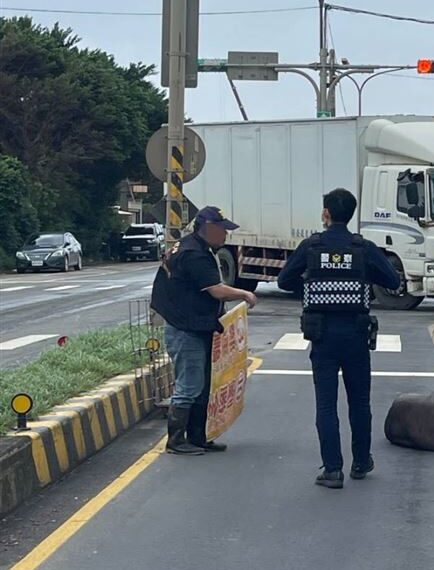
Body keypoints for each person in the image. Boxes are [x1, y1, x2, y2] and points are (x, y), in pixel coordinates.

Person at [277, 188, 401, 489]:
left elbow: (283, 281)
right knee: (359, 401)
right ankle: (361, 461)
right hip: (356, 334)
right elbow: (394, 281)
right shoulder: (364, 248)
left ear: (326, 213)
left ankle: (332, 469)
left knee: (326, 404)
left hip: (322, 335)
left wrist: (310, 278)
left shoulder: (311, 246)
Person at [151, 206, 258, 455]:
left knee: (202, 384)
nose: (226, 236)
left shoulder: (193, 247)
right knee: (189, 385)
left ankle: (198, 437)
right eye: (223, 230)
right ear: (208, 227)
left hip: (195, 324)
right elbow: (216, 289)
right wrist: (244, 293)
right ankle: (176, 441)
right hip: (185, 328)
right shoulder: (194, 254)